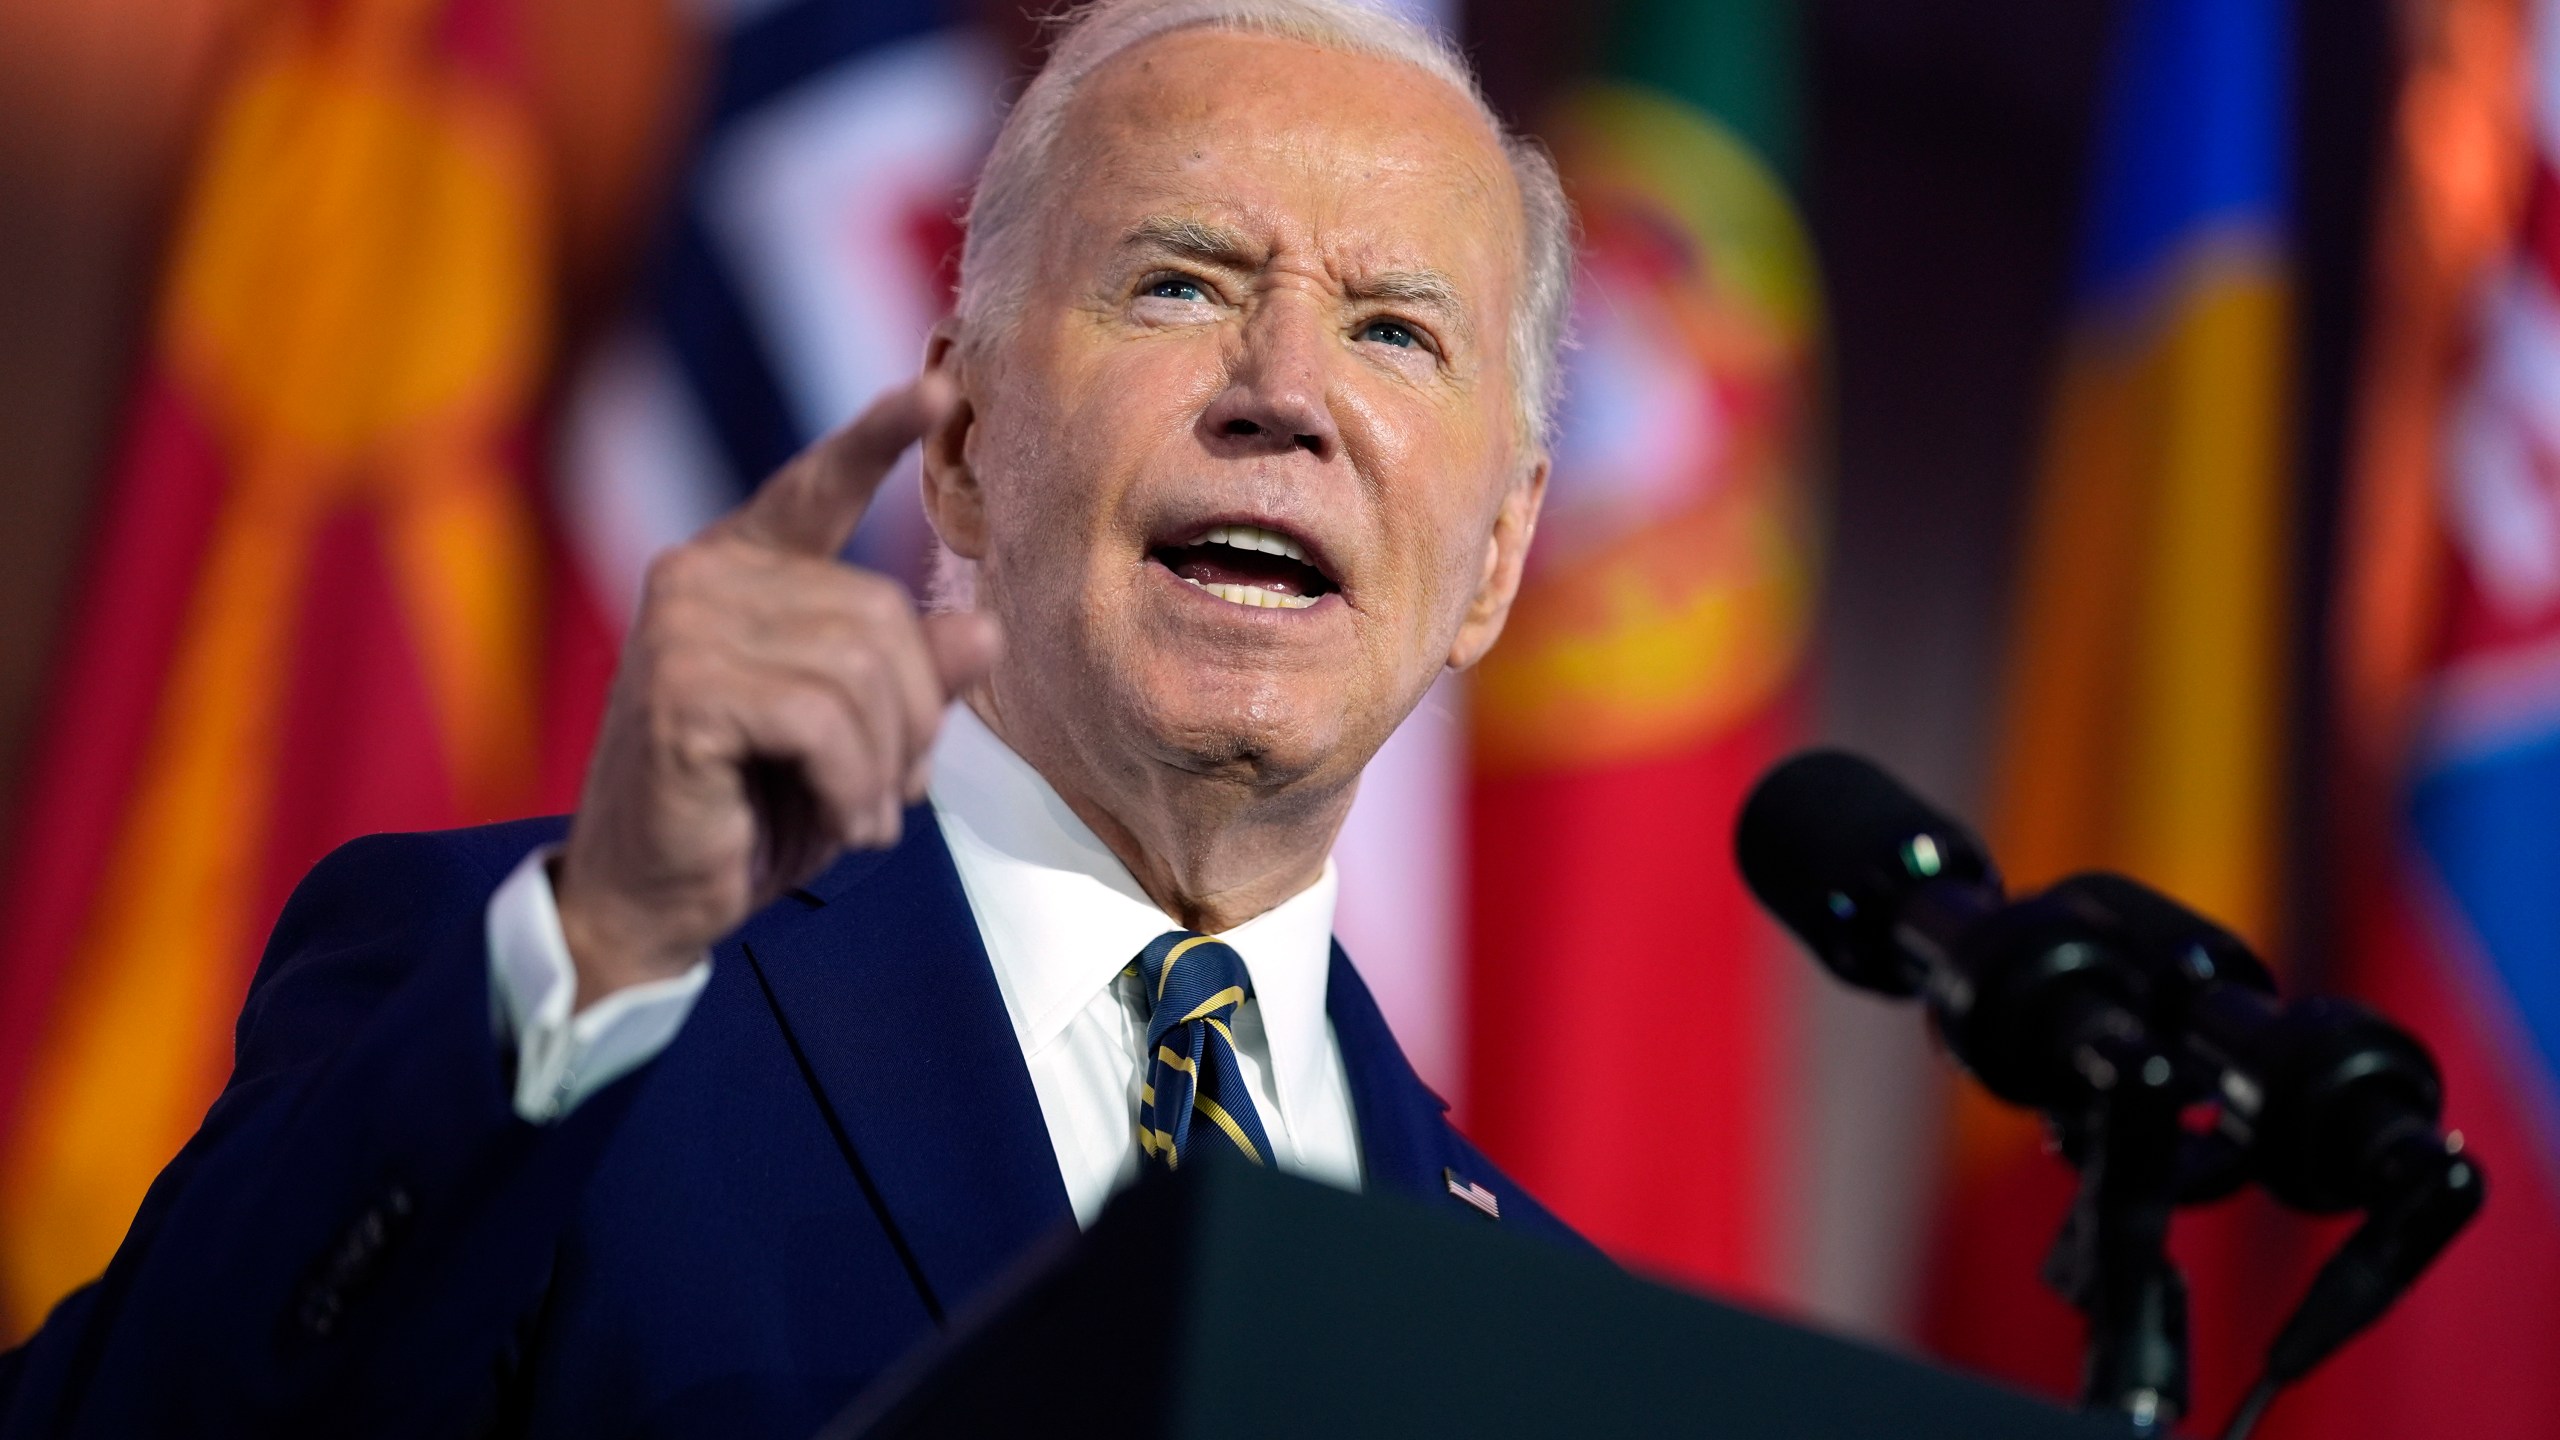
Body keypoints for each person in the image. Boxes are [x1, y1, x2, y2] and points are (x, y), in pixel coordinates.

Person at [0, 0, 1584, 1432]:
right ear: (959, 445)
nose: (1284, 393)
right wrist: (599, 953)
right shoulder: (559, 1003)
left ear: (1497, 557)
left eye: (1396, 330)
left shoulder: (1530, 1319)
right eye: (1179, 283)